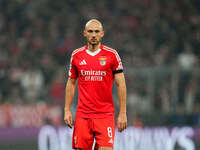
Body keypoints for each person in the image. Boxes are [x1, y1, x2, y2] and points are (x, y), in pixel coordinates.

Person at [64, 19, 127, 150]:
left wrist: (123, 112)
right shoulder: (76, 55)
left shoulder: (112, 55)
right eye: (90, 31)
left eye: (97, 31)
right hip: (83, 115)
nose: (93, 35)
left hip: (105, 115)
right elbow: (71, 83)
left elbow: (121, 84)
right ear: (84, 33)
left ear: (102, 34)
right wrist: (67, 110)